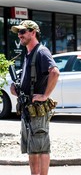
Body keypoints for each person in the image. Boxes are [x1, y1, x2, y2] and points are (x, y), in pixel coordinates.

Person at [10, 20, 59, 175]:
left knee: (41, 147)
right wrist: (17, 89)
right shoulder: (28, 53)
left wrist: (45, 95)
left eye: (23, 31)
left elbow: (55, 72)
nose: (19, 35)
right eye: (18, 32)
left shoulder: (41, 51)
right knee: (33, 148)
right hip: (28, 108)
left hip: (37, 110)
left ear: (33, 32)